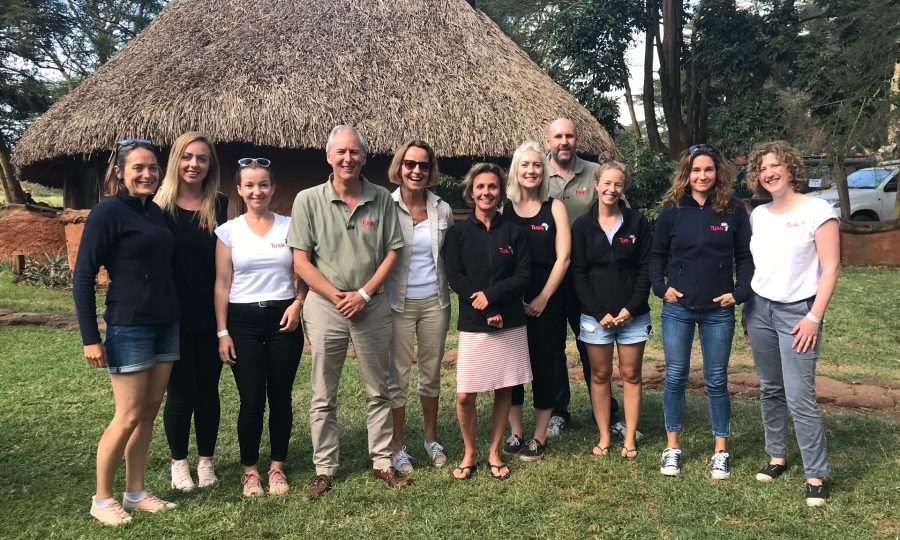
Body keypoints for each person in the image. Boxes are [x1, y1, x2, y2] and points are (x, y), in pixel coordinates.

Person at [288, 125, 409, 496]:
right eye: (340, 152)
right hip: (325, 306)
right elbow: (301, 261)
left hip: (371, 305)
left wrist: (363, 294)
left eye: (354, 152)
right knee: (324, 392)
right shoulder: (307, 200)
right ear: (328, 157)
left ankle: (382, 461)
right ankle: (324, 467)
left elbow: (393, 252)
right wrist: (339, 296)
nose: (347, 159)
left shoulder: (382, 199)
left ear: (364, 158)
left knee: (379, 388)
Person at [74, 139, 179, 526]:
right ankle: (102, 498)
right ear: (120, 172)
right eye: (138, 168)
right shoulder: (107, 213)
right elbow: (84, 276)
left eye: (152, 167)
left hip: (166, 323)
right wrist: (90, 336)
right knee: (128, 413)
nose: (147, 174)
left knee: (149, 412)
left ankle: (135, 492)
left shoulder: (156, 213)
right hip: (129, 324)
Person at [742, 141, 839, 506]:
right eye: (762, 168)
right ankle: (776, 456)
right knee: (770, 388)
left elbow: (830, 268)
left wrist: (815, 316)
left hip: (799, 313)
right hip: (760, 311)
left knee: (800, 395)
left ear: (790, 168)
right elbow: (759, 268)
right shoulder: (759, 215)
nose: (768, 172)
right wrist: (748, 317)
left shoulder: (818, 210)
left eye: (775, 165)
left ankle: (815, 474)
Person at [649, 144, 753, 479]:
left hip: (718, 312)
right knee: (676, 376)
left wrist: (739, 293)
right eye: (696, 170)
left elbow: (746, 258)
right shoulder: (672, 211)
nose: (702, 176)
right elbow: (655, 256)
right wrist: (661, 287)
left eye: (708, 169)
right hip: (678, 309)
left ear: (717, 172)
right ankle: (672, 447)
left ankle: (720, 451)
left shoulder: (733, 211)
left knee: (716, 380)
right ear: (686, 174)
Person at [214, 158, 305, 497]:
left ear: (273, 188)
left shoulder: (290, 226)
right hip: (242, 321)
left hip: (284, 318)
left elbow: (305, 269)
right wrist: (222, 332)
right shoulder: (228, 231)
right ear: (239, 189)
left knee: (280, 397)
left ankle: (277, 467)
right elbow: (222, 284)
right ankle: (250, 471)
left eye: (263, 184)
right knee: (252, 400)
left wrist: (298, 303)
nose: (257, 191)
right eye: (249, 185)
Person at [442, 162, 532, 480]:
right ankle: (470, 451)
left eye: (492, 187)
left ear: (500, 192)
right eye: (480, 187)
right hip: (474, 320)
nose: (486, 192)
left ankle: (494, 450)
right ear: (471, 192)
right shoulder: (458, 233)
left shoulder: (515, 232)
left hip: (509, 320)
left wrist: (492, 298)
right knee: (466, 393)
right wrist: (483, 306)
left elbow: (522, 275)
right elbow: (455, 276)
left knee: (504, 388)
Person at [155, 132, 235, 491]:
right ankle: (178, 463)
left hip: (213, 313)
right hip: (173, 314)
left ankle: (206, 462)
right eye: (187, 157)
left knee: (209, 391)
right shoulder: (159, 207)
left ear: (210, 165)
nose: (194, 164)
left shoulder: (220, 205)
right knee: (180, 392)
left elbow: (230, 264)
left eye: (202, 159)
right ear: (176, 161)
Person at [543, 118, 628, 439]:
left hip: (586, 278)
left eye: (569, 136)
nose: (564, 141)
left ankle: (606, 412)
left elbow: (617, 216)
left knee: (591, 345)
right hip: (550, 278)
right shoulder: (538, 174)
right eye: (558, 136)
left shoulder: (595, 173)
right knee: (552, 349)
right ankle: (557, 411)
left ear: (577, 140)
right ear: (548, 140)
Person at [571, 162, 652, 458]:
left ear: (623, 188)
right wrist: (598, 311)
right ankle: (605, 435)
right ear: (596, 185)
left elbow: (646, 269)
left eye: (618, 185)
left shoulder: (637, 222)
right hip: (596, 317)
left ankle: (629, 437)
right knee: (600, 375)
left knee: (631, 375)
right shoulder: (582, 225)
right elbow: (578, 273)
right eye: (606, 183)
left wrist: (631, 308)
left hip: (634, 316)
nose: (611, 189)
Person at [384, 140, 453, 473]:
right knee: (397, 376)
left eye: (423, 165)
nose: (416, 171)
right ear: (400, 167)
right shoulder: (385, 205)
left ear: (431, 170)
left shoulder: (442, 209)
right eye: (410, 164)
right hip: (397, 303)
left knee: (431, 373)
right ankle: (397, 445)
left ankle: (430, 439)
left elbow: (452, 256)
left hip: (435, 302)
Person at [501, 141, 570, 461]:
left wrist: (543, 298)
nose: (531, 170)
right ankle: (515, 432)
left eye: (537, 165)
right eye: (525, 165)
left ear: (544, 171)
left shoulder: (554, 207)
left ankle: (539, 436)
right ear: (516, 170)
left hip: (548, 299)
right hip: (511, 300)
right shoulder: (504, 207)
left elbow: (564, 258)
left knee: (544, 365)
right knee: (512, 368)